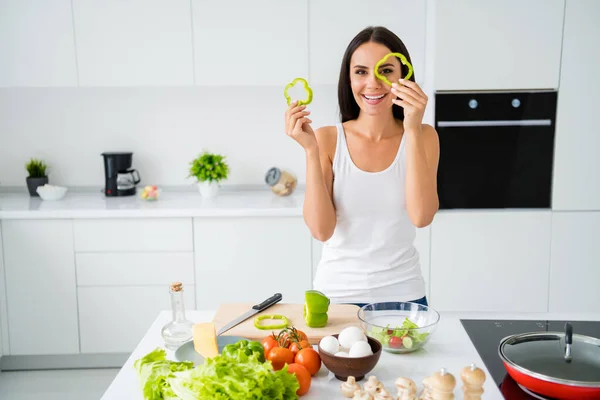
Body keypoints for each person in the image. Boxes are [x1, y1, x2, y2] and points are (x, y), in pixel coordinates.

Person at [284, 26, 440, 307]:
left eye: (386, 70)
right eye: (361, 71)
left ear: (403, 76)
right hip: (336, 298)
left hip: (404, 296)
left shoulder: (424, 136)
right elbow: (321, 231)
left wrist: (412, 129)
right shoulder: (327, 139)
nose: (373, 83)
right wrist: (310, 150)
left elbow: (421, 216)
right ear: (349, 78)